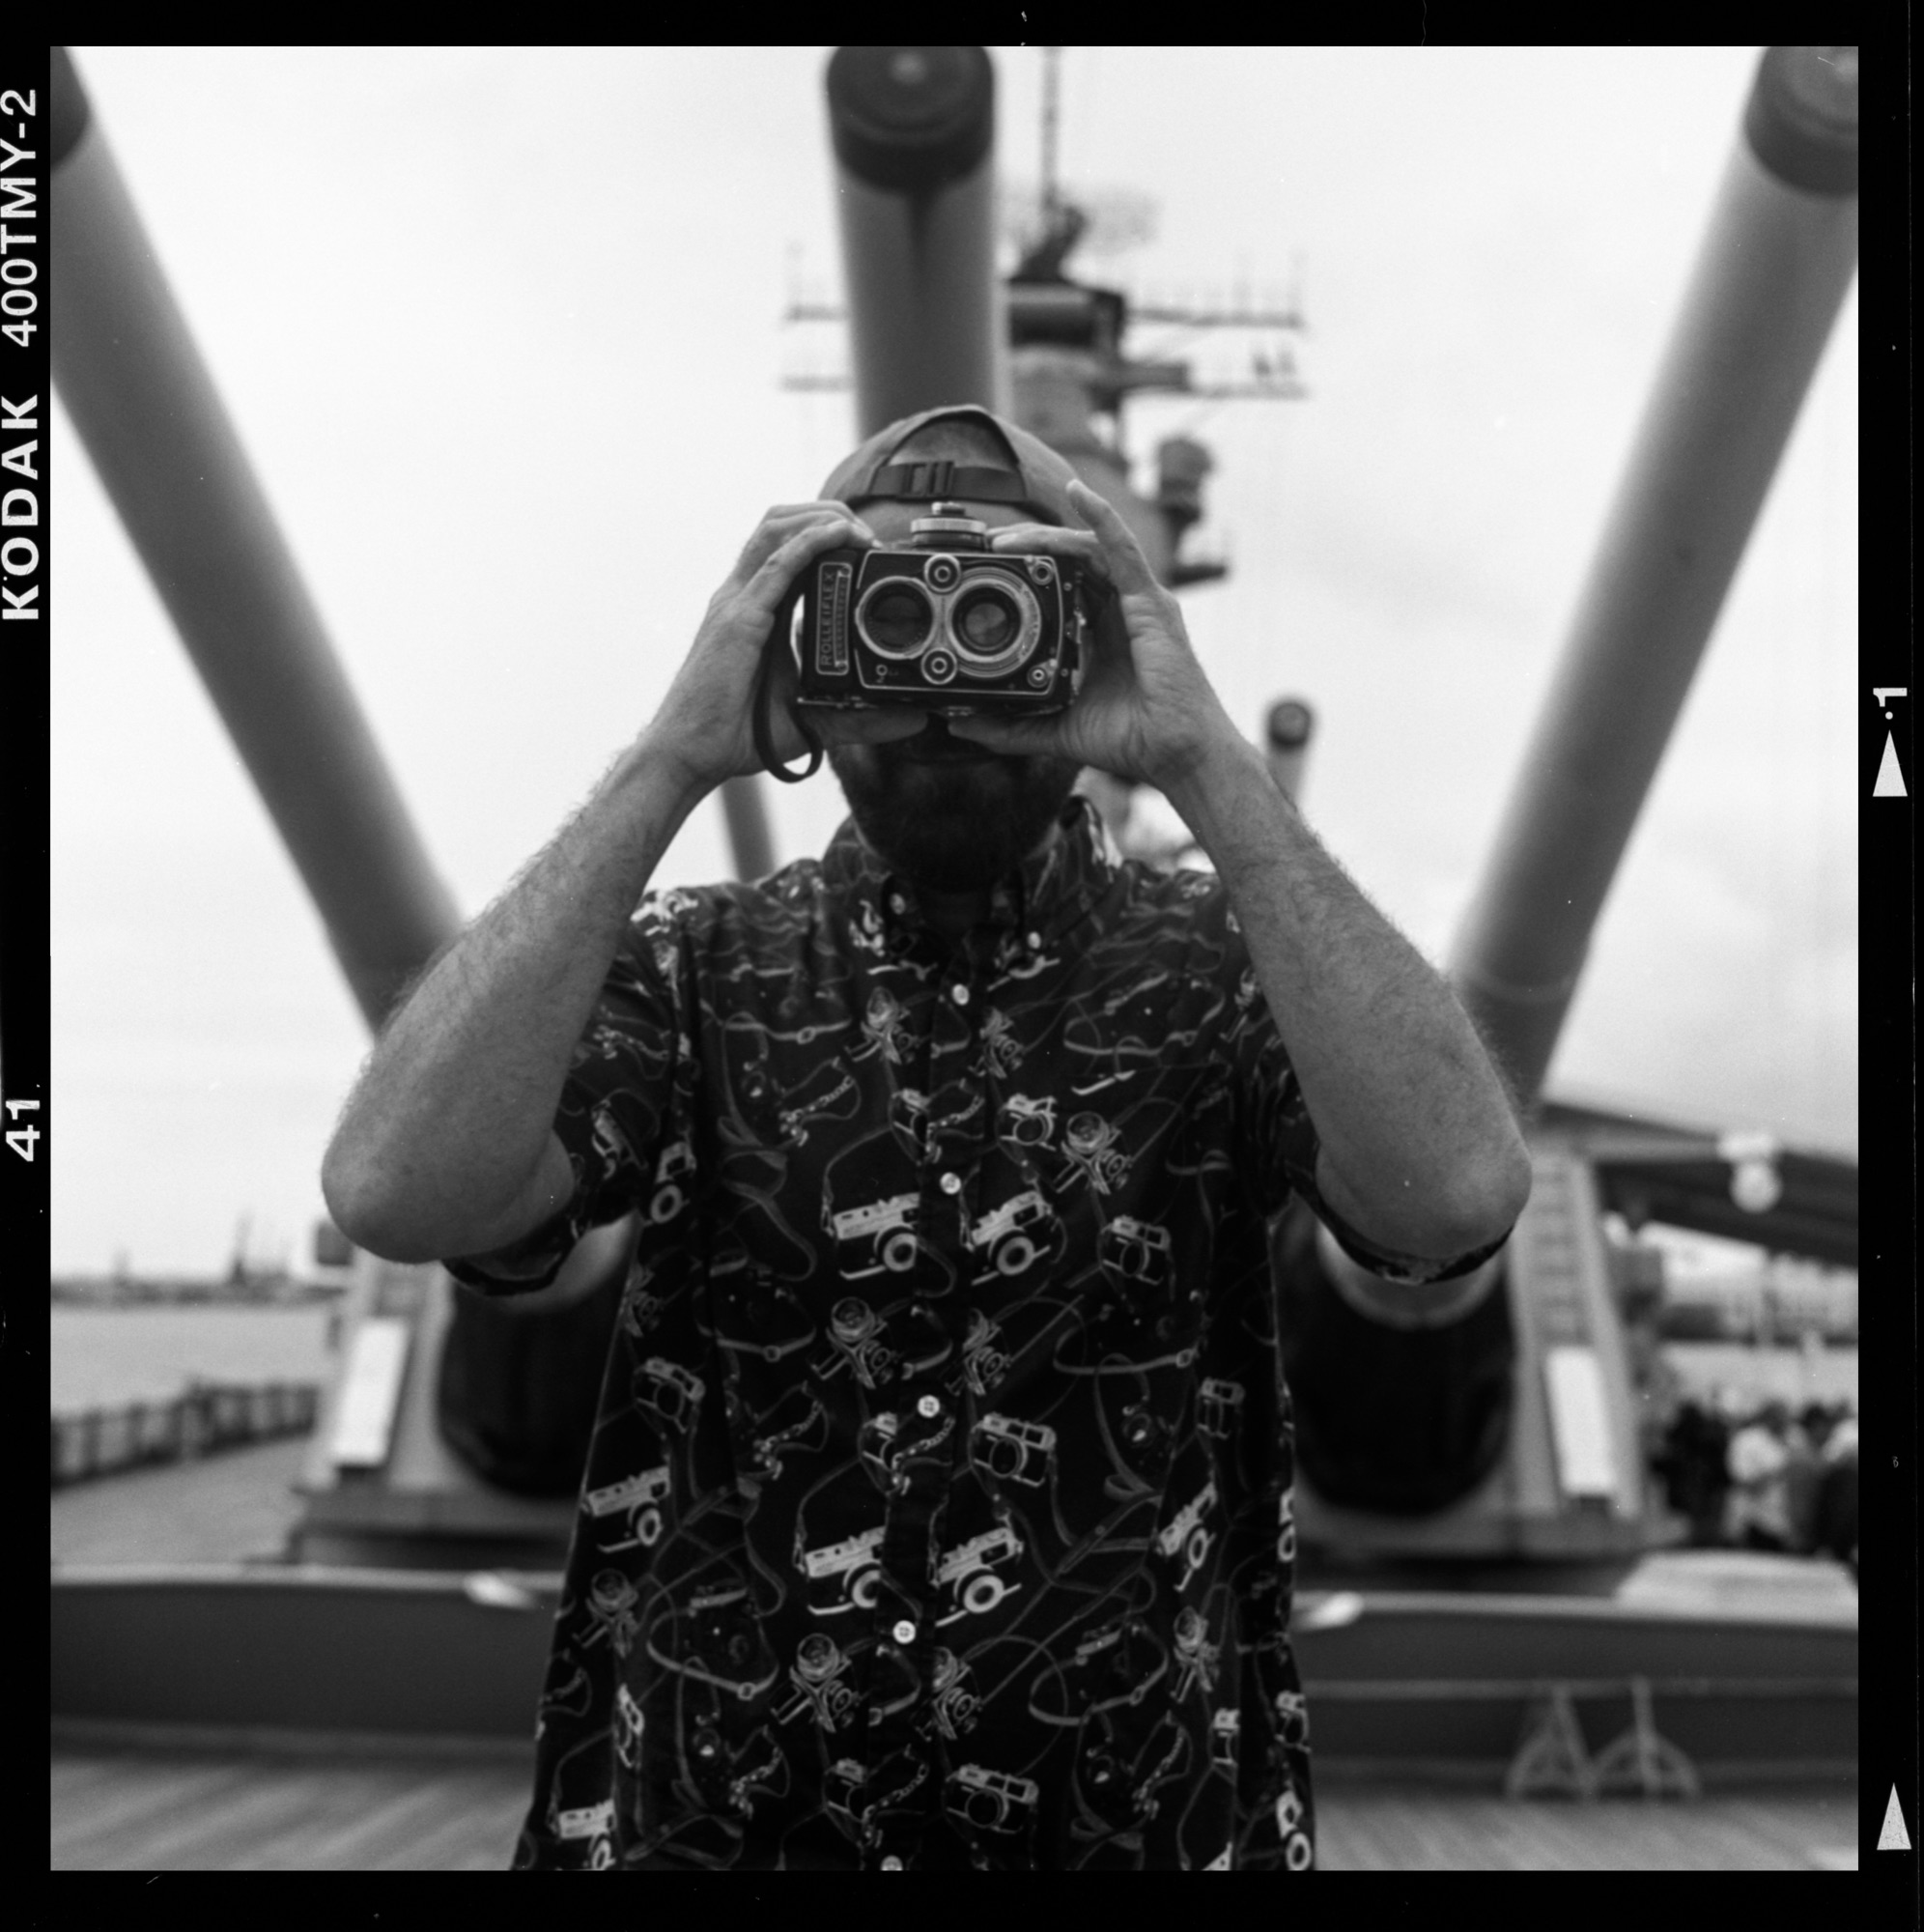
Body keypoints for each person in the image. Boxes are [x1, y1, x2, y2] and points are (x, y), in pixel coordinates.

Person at [323, 405, 1531, 1871]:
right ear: (803, 652)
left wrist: (1205, 760)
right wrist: (669, 760)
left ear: (1089, 641)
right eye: (885, 618)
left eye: (1005, 615)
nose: (943, 677)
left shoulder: (1229, 974)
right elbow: (397, 1190)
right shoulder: (693, 970)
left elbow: (1455, 1196)